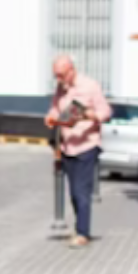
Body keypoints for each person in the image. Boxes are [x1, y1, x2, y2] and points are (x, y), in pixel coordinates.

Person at [43, 54, 111, 247]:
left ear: (71, 70)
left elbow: (106, 112)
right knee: (74, 192)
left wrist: (90, 115)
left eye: (61, 75)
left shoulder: (90, 86)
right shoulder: (60, 88)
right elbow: (56, 109)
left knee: (82, 191)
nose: (59, 79)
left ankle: (83, 233)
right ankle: (79, 226)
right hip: (67, 146)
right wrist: (50, 117)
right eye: (56, 75)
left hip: (86, 145)